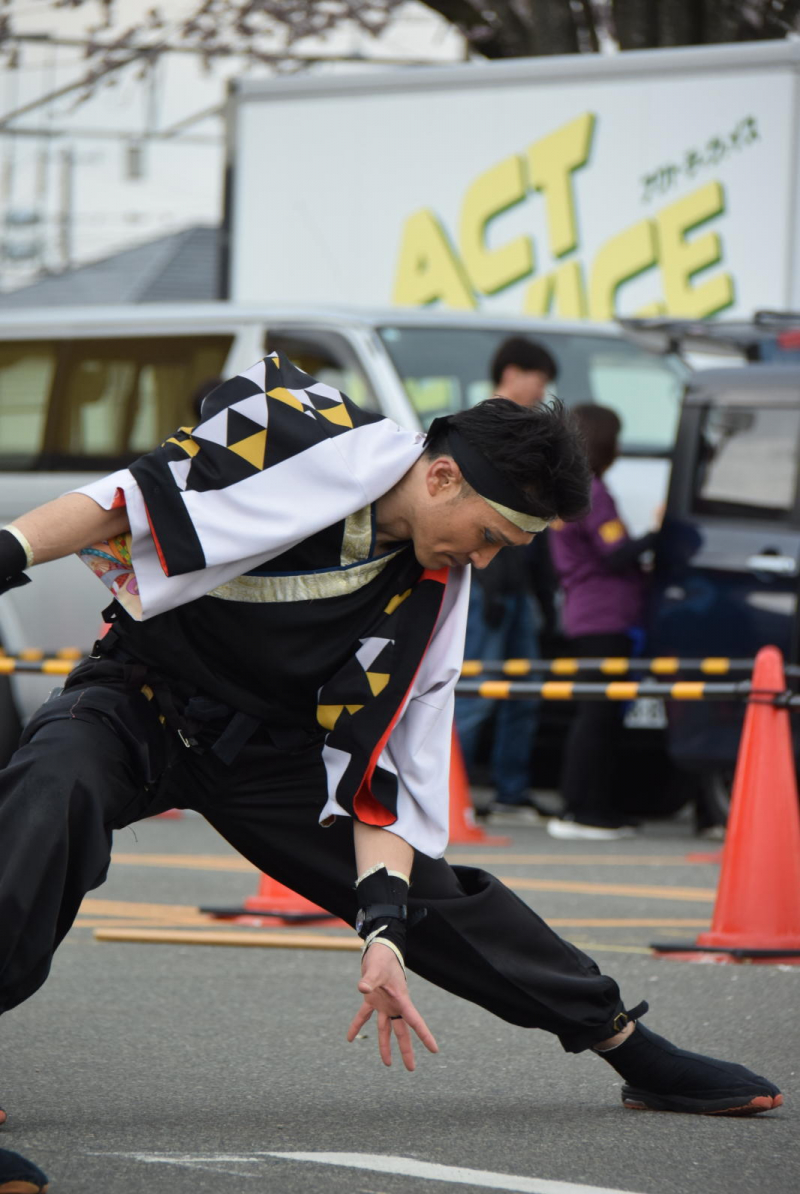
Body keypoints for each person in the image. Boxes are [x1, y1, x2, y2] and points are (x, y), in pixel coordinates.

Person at [0, 353, 782, 1118]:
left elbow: (384, 769)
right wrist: (11, 550)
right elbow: (121, 502)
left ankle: (626, 1045)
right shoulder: (298, 430)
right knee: (48, 794)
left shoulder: (435, 590)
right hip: (140, 701)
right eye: (489, 535)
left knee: (430, 903)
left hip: (275, 751)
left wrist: (383, 931)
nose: (483, 559)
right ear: (443, 476)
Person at [455, 337, 558, 823]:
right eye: (540, 380)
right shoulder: (480, 426)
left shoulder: (531, 432)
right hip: (485, 585)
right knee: (476, 692)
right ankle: (451, 791)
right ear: (514, 372)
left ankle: (511, 793)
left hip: (520, 588)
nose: (542, 391)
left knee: (524, 692)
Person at [547, 404, 658, 841]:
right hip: (603, 615)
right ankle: (580, 809)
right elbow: (615, 553)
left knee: (602, 713)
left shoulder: (569, 491)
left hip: (588, 613)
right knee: (598, 714)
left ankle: (599, 806)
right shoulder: (591, 492)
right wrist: (658, 533)